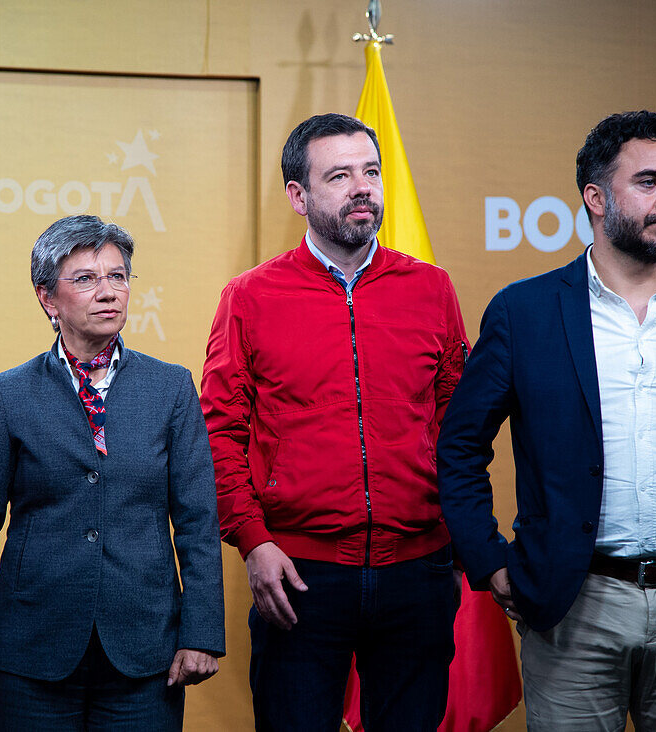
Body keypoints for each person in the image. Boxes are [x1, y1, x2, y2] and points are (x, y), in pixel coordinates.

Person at [437, 111, 656, 730]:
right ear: (595, 198)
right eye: (648, 182)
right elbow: (460, 446)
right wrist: (490, 562)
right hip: (574, 600)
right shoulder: (525, 312)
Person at [200, 113, 468, 731]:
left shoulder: (430, 288)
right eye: (340, 175)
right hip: (298, 575)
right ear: (298, 196)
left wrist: (459, 541)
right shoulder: (251, 296)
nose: (363, 187)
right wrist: (253, 540)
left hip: (417, 573)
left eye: (371, 172)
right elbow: (220, 432)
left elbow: (460, 427)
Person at [0, 214, 225, 730]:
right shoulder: (11, 394)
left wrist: (201, 632)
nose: (108, 291)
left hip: (144, 655)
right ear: (48, 299)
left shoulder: (171, 389)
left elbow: (198, 525)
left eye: (118, 276)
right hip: (30, 654)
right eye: (86, 279)